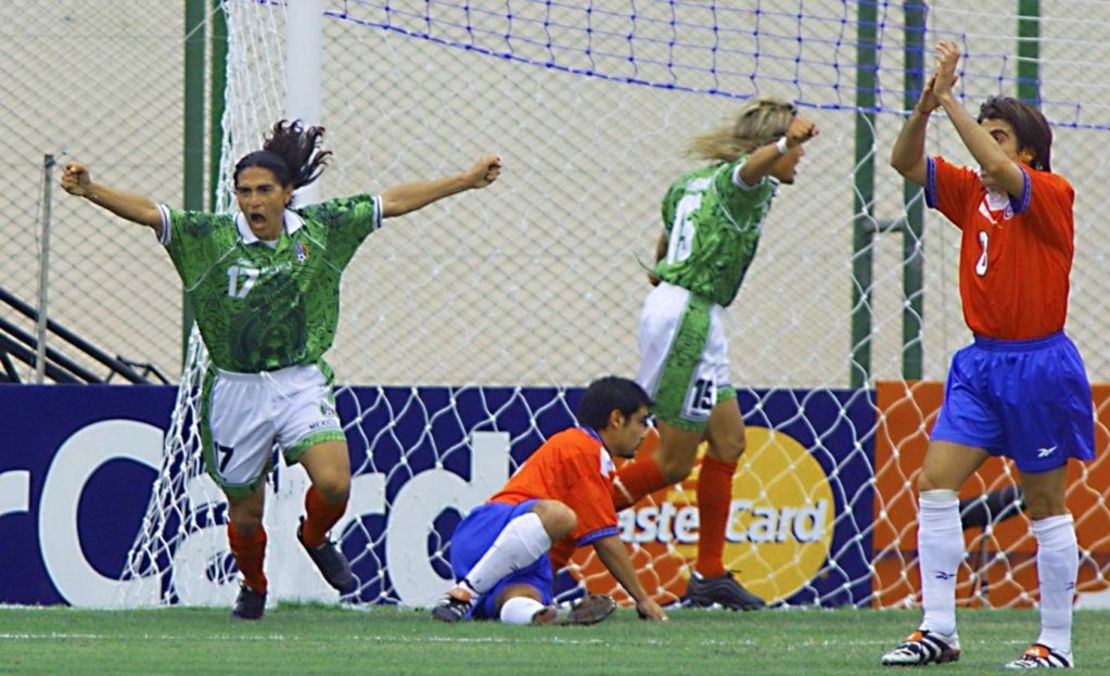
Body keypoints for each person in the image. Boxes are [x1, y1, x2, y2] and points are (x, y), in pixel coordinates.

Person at [61, 120, 502, 620]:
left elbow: (392, 201)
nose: (253, 202)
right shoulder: (209, 237)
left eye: (264, 191)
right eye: (244, 192)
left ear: (287, 193)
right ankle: (253, 582)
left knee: (335, 483)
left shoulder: (324, 229)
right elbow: (148, 212)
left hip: (299, 380)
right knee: (245, 515)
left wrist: (465, 180)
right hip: (235, 389)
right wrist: (91, 190)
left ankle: (314, 537)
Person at [881, 42, 1094, 669]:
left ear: (1025, 149)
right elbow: (903, 161)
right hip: (980, 366)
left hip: (1039, 366)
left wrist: (948, 97)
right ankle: (938, 629)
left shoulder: (1050, 191)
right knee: (935, 484)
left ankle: (1055, 642)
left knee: (1043, 503)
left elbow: (999, 172)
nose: (984, 144)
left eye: (998, 134)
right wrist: (925, 108)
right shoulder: (973, 194)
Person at [566, 97, 818, 610]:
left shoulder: (690, 184)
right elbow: (748, 173)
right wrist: (784, 144)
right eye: (794, 148)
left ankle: (708, 575)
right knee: (672, 461)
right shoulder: (741, 183)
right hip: (687, 320)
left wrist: (664, 271)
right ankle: (562, 529)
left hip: (695, 314)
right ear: (772, 143)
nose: (799, 159)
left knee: (727, 443)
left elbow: (664, 244)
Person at [432, 376, 669, 625]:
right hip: (493, 529)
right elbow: (604, 538)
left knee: (522, 599)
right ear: (616, 419)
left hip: (523, 559)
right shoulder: (583, 447)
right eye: (642, 422)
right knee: (561, 517)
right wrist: (642, 598)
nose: (646, 432)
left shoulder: (593, 458)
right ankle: (464, 593)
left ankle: (540, 615)